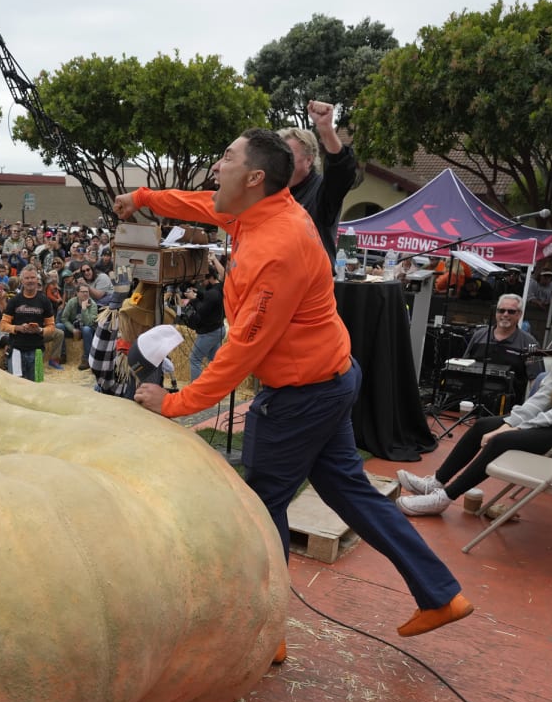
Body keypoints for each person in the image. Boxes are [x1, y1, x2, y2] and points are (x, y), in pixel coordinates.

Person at [115, 128, 472, 640]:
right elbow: (199, 203)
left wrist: (175, 404)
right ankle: (441, 594)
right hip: (329, 379)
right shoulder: (259, 209)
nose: (217, 167)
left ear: (255, 177)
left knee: (261, 506)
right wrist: (143, 197)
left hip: (303, 395)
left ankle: (267, 635)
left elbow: (242, 350)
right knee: (353, 493)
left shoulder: (276, 246)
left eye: (226, 157)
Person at [398, 300, 552, 515]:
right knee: (483, 425)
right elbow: (544, 395)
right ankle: (437, 482)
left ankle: (445, 498)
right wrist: (512, 422)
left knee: (500, 441)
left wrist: (511, 430)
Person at [281, 99, 358, 262]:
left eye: (288, 155)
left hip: (310, 283)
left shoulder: (320, 191)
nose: (281, 161)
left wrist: (325, 129)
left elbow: (341, 171)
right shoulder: (272, 190)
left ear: (308, 160)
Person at [459, 293, 538, 407]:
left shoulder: (531, 343)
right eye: (501, 310)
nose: (505, 314)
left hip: (507, 407)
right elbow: (463, 365)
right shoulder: (478, 335)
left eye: (511, 311)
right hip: (471, 402)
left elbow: (536, 379)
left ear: (519, 314)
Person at [0, 266, 58, 380]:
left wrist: (40, 330)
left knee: (37, 383)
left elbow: (51, 327)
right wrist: (18, 328)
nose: (30, 280)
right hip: (16, 349)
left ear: (37, 280)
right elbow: (2, 325)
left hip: (37, 350)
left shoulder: (44, 301)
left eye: (33, 278)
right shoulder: (14, 300)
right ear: (22, 281)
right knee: (17, 384)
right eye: (27, 278)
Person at [178, 255, 226, 380]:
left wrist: (193, 299)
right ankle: (217, 384)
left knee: (194, 359)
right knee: (214, 361)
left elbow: (202, 310)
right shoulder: (219, 288)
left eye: (203, 280)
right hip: (217, 329)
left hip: (209, 332)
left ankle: (195, 389)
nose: (201, 283)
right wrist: (198, 294)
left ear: (210, 278)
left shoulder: (212, 294)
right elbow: (208, 298)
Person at [56, 282, 100, 371]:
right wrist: (72, 329)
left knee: (86, 329)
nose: (85, 293)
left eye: (87, 292)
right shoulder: (72, 302)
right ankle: (62, 355)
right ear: (77, 293)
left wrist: (84, 308)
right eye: (82, 291)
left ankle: (87, 359)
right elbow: (64, 318)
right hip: (73, 329)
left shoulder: (93, 305)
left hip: (86, 331)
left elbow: (89, 323)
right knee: (59, 326)